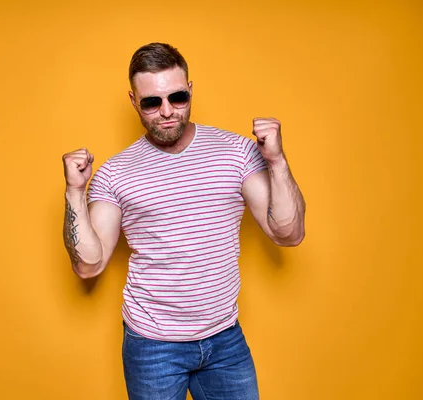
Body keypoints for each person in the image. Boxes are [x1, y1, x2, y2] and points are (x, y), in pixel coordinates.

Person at [62, 42, 306, 400]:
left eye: (177, 97)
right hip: (152, 346)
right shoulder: (115, 173)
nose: (166, 112)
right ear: (134, 102)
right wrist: (73, 191)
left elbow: (289, 233)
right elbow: (88, 265)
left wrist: (278, 161)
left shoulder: (235, 152)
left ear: (190, 90)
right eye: (151, 102)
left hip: (225, 339)